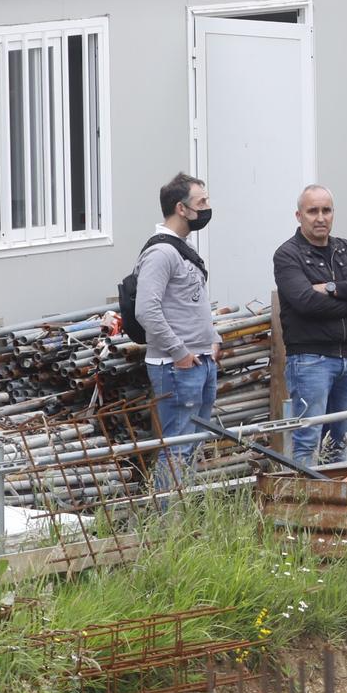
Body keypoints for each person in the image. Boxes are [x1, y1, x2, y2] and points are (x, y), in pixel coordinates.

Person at [274, 184, 347, 468]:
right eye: (313, 211)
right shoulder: (287, 255)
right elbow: (305, 301)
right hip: (310, 360)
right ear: (299, 215)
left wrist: (332, 287)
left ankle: (338, 502)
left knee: (343, 439)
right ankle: (304, 503)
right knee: (308, 439)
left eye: (326, 210)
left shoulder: (345, 248)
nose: (320, 217)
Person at [135, 172, 220, 490]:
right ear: (181, 208)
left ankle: (180, 518)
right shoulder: (162, 253)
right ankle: (168, 524)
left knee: (193, 445)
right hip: (177, 367)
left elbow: (192, 303)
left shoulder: (182, 248)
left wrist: (213, 340)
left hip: (200, 362)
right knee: (177, 448)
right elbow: (146, 310)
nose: (207, 207)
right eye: (202, 202)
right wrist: (179, 352)